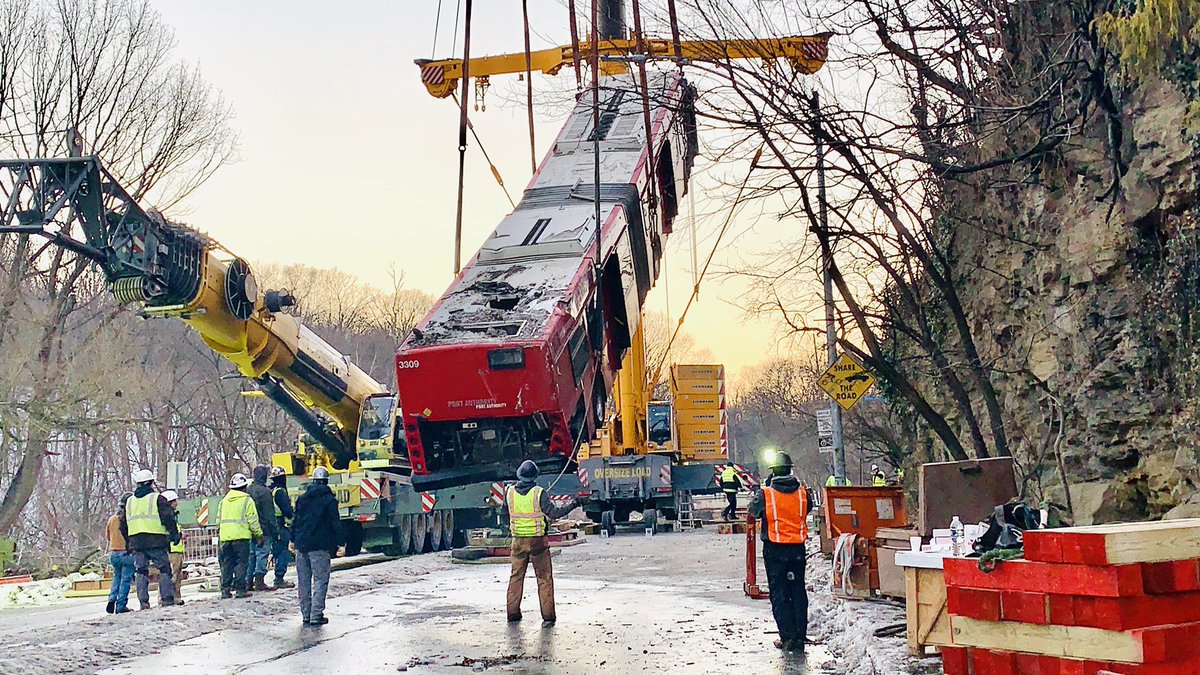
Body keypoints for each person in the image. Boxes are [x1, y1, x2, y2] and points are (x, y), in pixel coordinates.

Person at [748, 451, 815, 653]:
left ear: (773, 471)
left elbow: (753, 510)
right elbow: (807, 509)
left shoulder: (766, 494)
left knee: (779, 594)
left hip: (775, 550)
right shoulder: (803, 493)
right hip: (797, 550)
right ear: (790, 469)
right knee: (798, 591)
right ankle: (799, 635)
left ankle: (787, 637)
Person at [505, 460, 576, 623]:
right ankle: (548, 616)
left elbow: (504, 513)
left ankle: (513, 614)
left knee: (516, 577)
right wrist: (574, 504)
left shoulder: (509, 492)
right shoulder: (539, 493)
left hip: (517, 541)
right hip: (537, 541)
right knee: (544, 579)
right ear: (535, 476)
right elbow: (554, 513)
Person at [120, 469, 179, 609]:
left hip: (136, 542)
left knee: (141, 571)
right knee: (164, 569)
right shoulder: (157, 499)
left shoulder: (129, 502)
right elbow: (168, 518)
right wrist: (174, 534)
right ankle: (167, 599)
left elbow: (123, 525)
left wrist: (128, 543)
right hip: (156, 540)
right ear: (151, 482)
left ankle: (143, 602)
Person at [292, 466, 342, 626]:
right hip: (320, 547)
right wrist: (341, 542)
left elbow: (295, 521)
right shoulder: (329, 501)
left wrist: (292, 540)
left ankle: (306, 614)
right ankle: (316, 614)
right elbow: (335, 523)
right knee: (320, 580)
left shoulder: (302, 499)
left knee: (303, 581)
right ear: (326, 481)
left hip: (301, 545)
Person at [218, 472, 263, 599]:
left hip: (225, 538)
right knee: (241, 563)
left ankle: (225, 590)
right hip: (241, 538)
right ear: (244, 487)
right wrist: (259, 535)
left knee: (227, 564)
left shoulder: (224, 501)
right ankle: (240, 589)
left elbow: (218, 520)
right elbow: (253, 520)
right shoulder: (247, 500)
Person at [244, 465, 280, 592]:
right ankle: (259, 581)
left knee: (251, 555)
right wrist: (275, 531)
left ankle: (248, 581)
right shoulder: (265, 493)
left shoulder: (248, 490)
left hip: (249, 529)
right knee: (262, 554)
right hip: (264, 529)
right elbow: (270, 514)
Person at [104, 493, 135, 614]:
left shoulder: (112, 519)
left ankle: (112, 598)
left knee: (116, 577)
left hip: (113, 553)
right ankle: (121, 605)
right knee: (126, 579)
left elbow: (108, 536)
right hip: (126, 553)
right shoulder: (128, 519)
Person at [269, 466, 296, 589]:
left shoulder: (270, 490)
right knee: (282, 551)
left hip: (272, 525)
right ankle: (279, 578)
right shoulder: (280, 491)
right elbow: (287, 510)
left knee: (275, 551)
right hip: (280, 525)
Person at [162, 490, 186, 605]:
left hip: (178, 550)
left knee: (178, 576)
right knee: (172, 575)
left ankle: (176, 597)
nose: (176, 503)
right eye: (174, 501)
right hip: (173, 550)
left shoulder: (172, 516)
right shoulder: (168, 517)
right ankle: (167, 597)